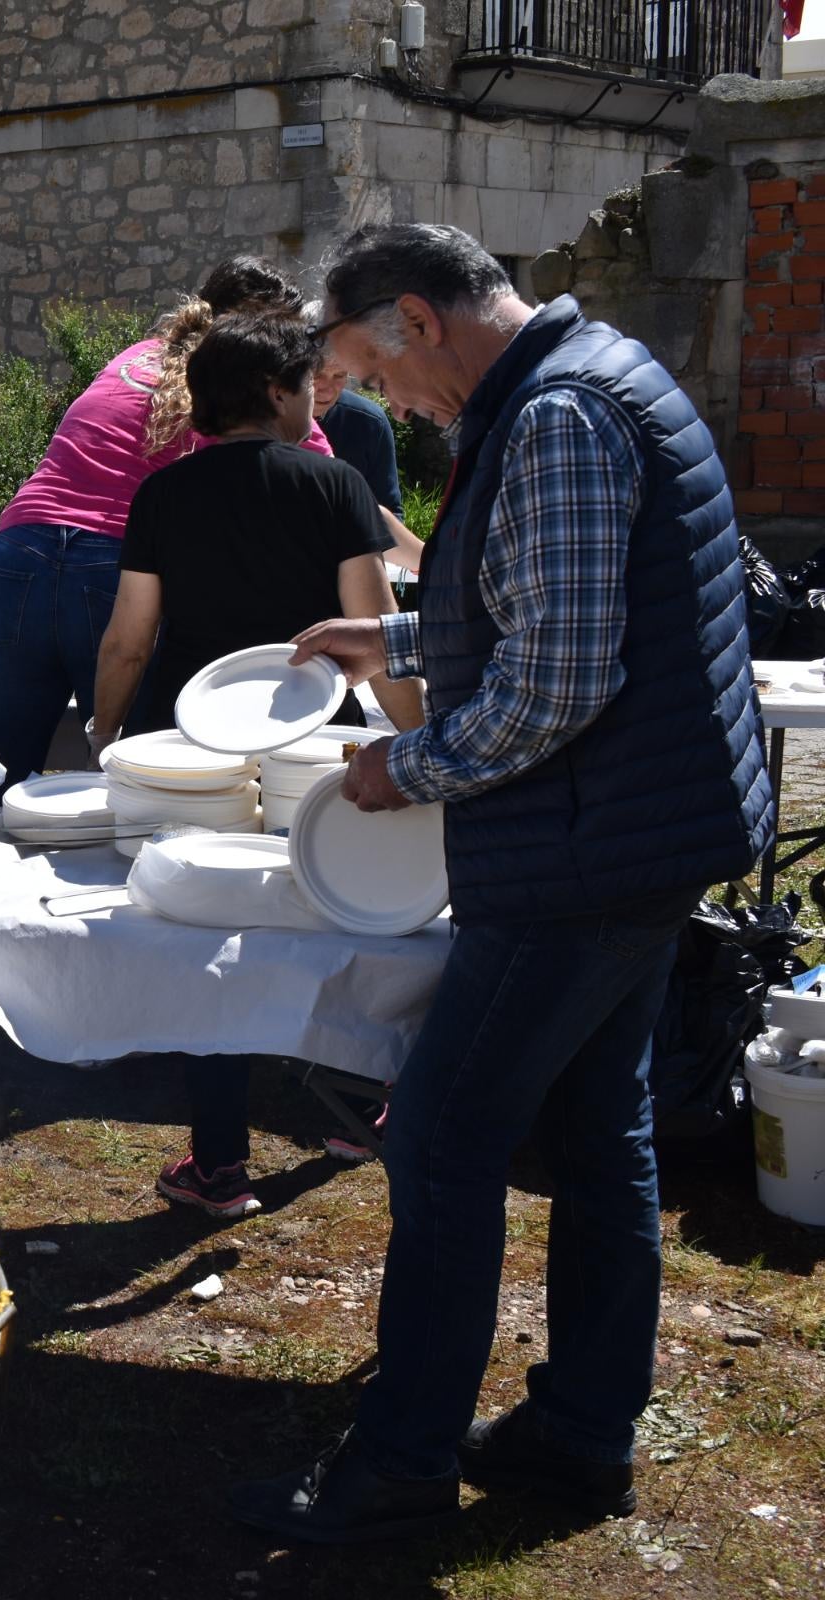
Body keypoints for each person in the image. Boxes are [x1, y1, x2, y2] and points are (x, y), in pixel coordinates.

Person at [228, 223, 769, 1543]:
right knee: (599, 1134)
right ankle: (580, 1438)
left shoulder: (560, 417)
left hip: (590, 850)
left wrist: (404, 768)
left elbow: (557, 684)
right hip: (648, 831)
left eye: (369, 367)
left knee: (445, 1136)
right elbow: (557, 599)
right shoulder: (589, 375)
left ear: (418, 319)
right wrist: (400, 632)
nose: (382, 403)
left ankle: (402, 1461)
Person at [84, 313, 424, 1219]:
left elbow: (128, 638)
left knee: (212, 941)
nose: (316, 397)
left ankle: (220, 1164)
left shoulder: (164, 494)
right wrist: (422, 744)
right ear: (277, 393)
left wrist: (105, 735)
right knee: (345, 907)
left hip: (192, 746)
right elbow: (377, 631)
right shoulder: (335, 483)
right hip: (308, 736)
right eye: (306, 384)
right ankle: (359, 1111)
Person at [0, 255, 314, 793]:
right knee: (133, 778)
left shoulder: (135, 355)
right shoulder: (242, 388)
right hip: (112, 567)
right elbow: (336, 488)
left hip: (16, 550)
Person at [308, 303, 431, 576]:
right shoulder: (269, 423)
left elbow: (387, 516)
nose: (327, 388)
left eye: (340, 375)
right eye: (317, 376)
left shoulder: (368, 422)